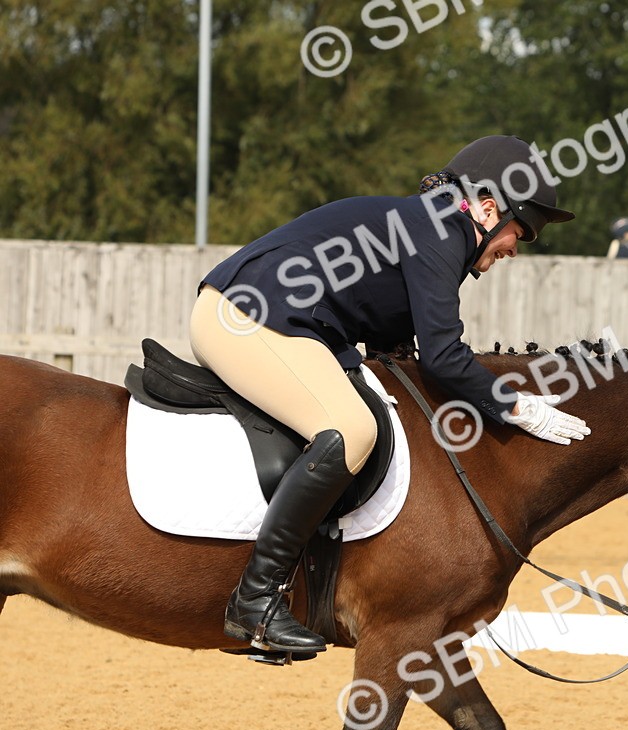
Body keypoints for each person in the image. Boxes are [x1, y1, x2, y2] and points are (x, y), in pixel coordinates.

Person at [189, 135, 590, 654]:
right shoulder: (441, 229)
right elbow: (443, 356)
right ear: (489, 208)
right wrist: (518, 406)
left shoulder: (428, 224)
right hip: (248, 318)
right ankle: (256, 600)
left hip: (277, 318)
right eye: (522, 231)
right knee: (352, 430)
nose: (517, 247)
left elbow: (395, 348)